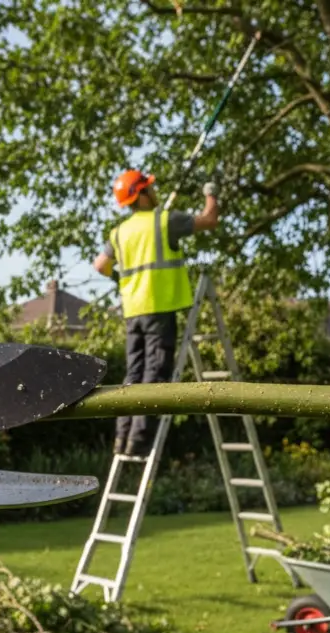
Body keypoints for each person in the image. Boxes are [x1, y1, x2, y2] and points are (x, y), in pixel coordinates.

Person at [92, 169, 220, 457]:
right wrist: (211, 192)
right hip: (159, 307)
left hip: (132, 311)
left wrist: (121, 278)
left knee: (133, 375)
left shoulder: (119, 232)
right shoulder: (165, 221)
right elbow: (210, 219)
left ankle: (122, 436)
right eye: (150, 187)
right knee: (155, 374)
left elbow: (100, 265)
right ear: (143, 195)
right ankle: (138, 440)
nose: (155, 190)